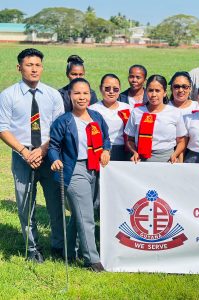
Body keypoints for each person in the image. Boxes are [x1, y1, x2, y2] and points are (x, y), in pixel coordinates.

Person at [0, 48, 65, 263]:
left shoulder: (53, 94)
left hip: (49, 153)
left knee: (55, 204)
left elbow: (59, 128)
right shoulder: (8, 95)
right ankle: (33, 248)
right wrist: (25, 152)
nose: (34, 69)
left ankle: (59, 245)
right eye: (29, 65)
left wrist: (44, 150)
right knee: (26, 204)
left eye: (38, 65)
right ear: (19, 67)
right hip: (22, 154)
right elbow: (2, 129)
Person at [48, 78, 111, 272]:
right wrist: (54, 159)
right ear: (70, 95)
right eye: (77, 93)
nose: (81, 97)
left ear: (90, 95)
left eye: (85, 93)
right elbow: (53, 146)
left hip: (95, 168)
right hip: (74, 169)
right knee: (87, 216)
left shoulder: (97, 117)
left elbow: (106, 138)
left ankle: (68, 250)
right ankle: (91, 260)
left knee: (81, 212)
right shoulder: (64, 121)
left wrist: (106, 150)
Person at [124, 74, 187, 163]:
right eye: (150, 90)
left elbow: (181, 141)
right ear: (146, 92)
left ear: (164, 93)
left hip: (167, 159)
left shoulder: (175, 112)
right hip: (141, 160)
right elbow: (130, 140)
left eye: (157, 91)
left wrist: (175, 154)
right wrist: (134, 152)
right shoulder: (136, 112)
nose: (153, 94)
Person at [89, 74, 131, 161]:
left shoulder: (128, 108)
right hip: (100, 150)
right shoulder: (92, 109)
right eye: (107, 88)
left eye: (115, 89)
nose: (111, 92)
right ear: (100, 88)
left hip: (124, 150)